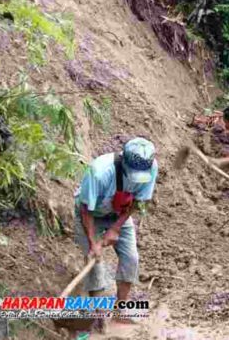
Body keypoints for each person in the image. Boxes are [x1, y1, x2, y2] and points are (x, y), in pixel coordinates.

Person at [74, 137, 158, 322]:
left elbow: (136, 201)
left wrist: (116, 228)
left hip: (119, 212)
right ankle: (98, 317)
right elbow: (85, 209)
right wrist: (93, 242)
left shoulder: (150, 168)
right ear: (124, 161)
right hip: (90, 215)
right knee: (95, 263)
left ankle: (121, 311)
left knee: (131, 258)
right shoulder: (99, 172)